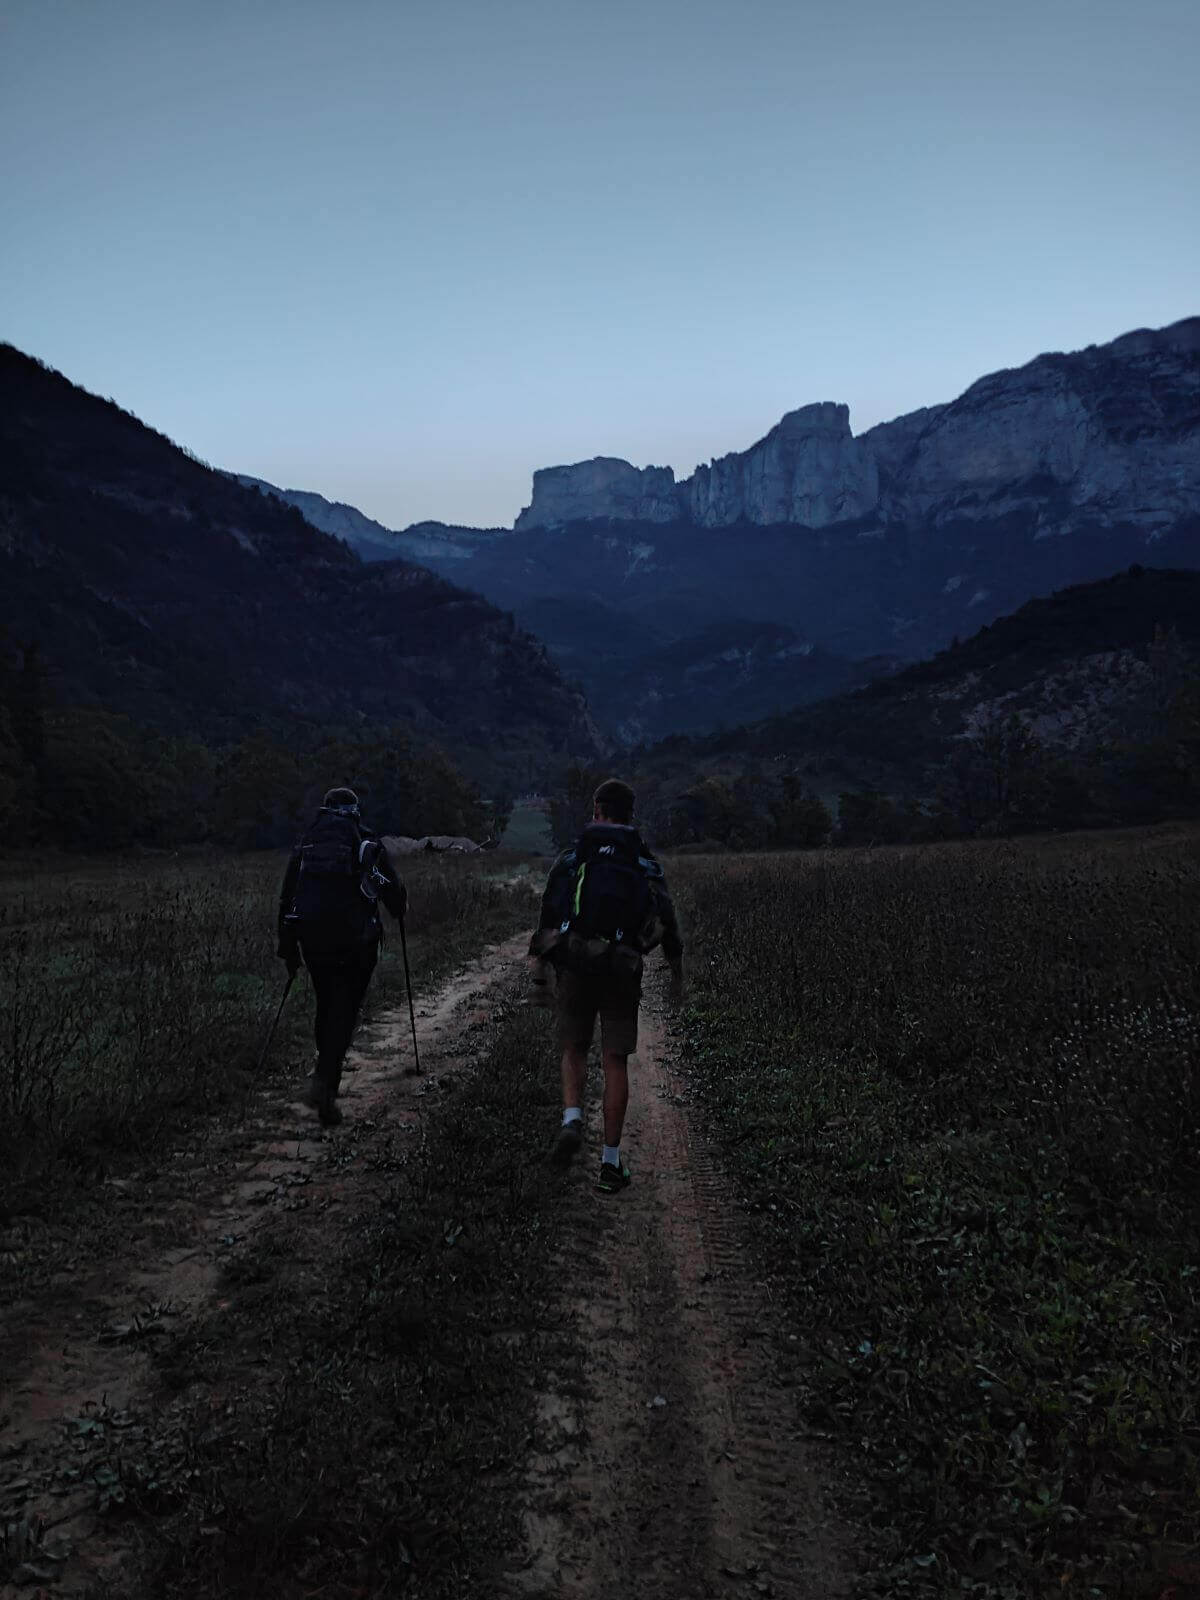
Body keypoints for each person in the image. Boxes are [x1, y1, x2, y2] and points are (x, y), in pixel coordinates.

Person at [530, 778, 683, 1193]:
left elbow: (550, 908)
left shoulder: (575, 854)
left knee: (574, 1047)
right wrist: (675, 963)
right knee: (615, 1060)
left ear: (597, 810)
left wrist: (540, 964)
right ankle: (610, 1164)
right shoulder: (643, 860)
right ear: (630, 814)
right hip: (621, 967)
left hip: (576, 963)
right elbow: (665, 913)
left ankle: (572, 1119)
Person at [277, 786, 407, 1126]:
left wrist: (287, 946)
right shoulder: (364, 842)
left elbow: (287, 895)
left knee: (326, 1003)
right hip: (355, 942)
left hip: (312, 937)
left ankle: (324, 1071)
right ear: (355, 811)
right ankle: (325, 1081)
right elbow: (392, 893)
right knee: (345, 1010)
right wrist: (398, 907)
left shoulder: (307, 842)